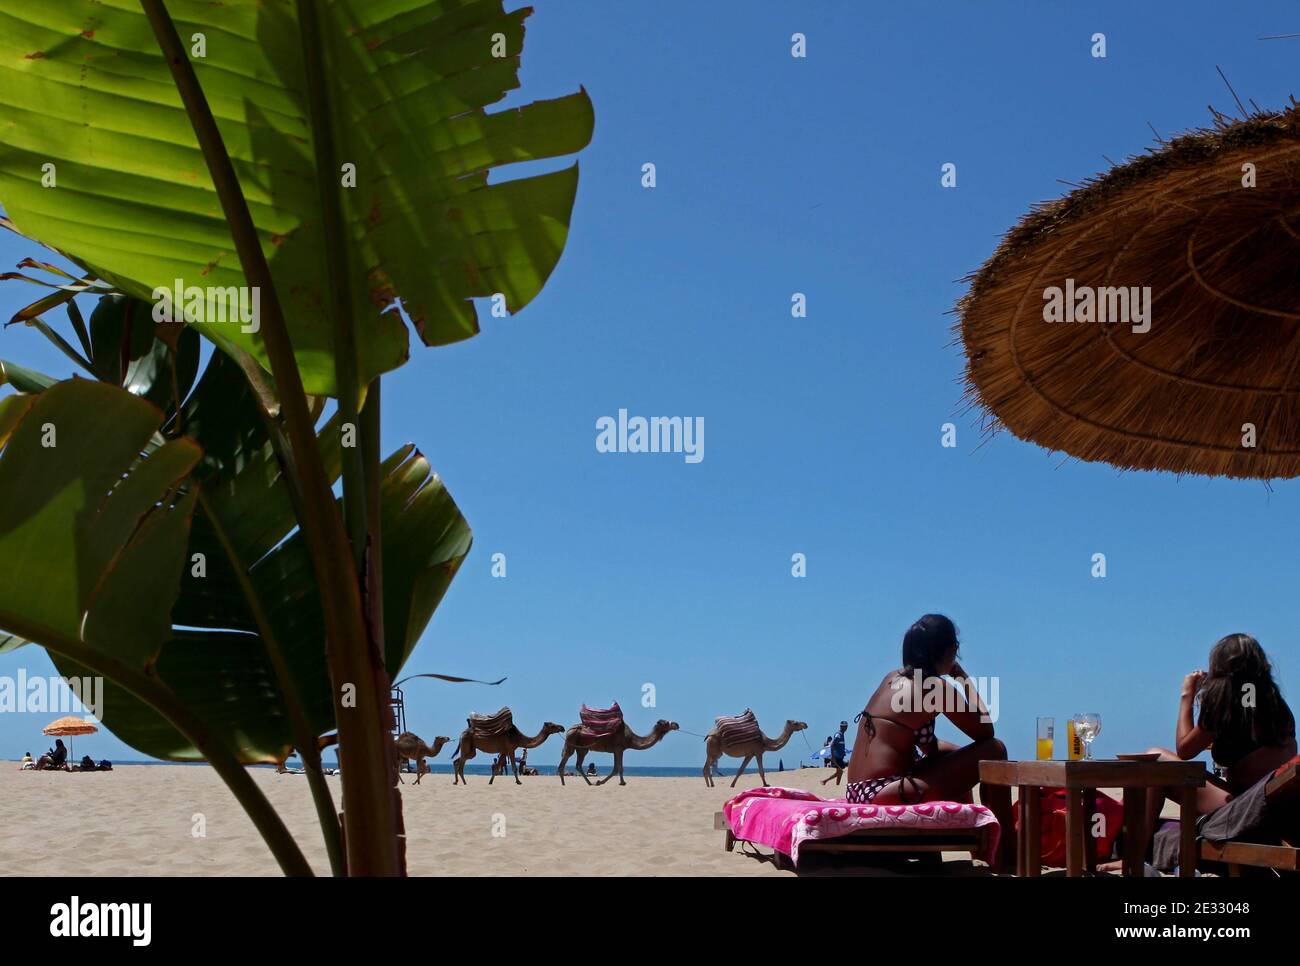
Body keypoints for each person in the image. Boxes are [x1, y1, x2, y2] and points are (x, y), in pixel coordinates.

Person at [845, 614, 1014, 871]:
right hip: (885, 793)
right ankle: (1005, 852)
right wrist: (962, 679)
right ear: (947, 650)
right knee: (995, 750)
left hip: (860, 792)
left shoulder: (893, 678)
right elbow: (985, 731)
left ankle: (984, 845)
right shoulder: (935, 688)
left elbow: (929, 747)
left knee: (966, 759)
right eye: (955, 649)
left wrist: (960, 757)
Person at [1130, 633, 1296, 862]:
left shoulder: (1225, 701)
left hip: (1246, 811)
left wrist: (1187, 695)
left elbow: (1184, 750)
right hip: (1273, 808)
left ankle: (1135, 854)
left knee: (1156, 760)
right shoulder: (1276, 704)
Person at [821, 720, 850, 786]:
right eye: (843, 726)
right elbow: (832, 745)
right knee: (840, 771)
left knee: (839, 772)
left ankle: (835, 784)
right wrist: (833, 756)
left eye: (846, 726)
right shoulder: (838, 735)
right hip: (836, 758)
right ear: (840, 727)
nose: (845, 728)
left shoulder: (842, 734)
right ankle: (826, 781)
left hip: (840, 757)